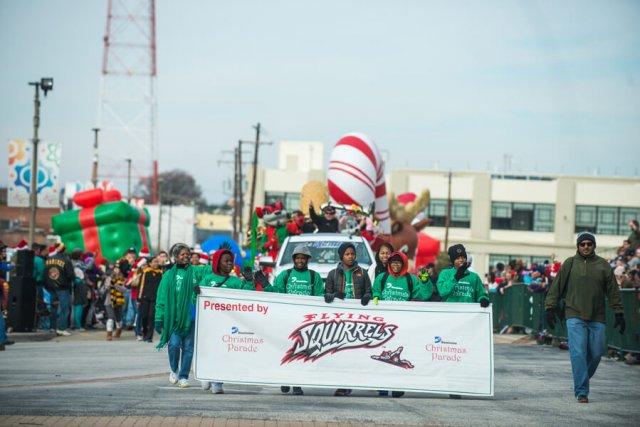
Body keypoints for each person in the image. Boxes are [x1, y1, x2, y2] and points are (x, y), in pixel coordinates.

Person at [545, 232, 625, 403]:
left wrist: (619, 312)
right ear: (578, 246)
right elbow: (556, 286)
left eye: (589, 244)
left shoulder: (603, 265)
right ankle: (582, 391)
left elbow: (613, 291)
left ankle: (581, 379)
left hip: (598, 316)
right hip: (574, 314)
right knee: (578, 353)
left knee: (596, 353)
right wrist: (550, 308)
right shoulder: (570, 263)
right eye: (583, 244)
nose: (586, 246)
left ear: (594, 246)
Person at [264, 244, 324, 396]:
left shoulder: (314, 276)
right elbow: (277, 293)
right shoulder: (285, 274)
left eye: (303, 258)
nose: (300, 260)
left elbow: (319, 297)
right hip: (286, 319)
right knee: (285, 351)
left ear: (307, 259)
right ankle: (285, 379)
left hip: (306, 322)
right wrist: (264, 284)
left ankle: (297, 383)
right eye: (298, 258)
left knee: (301, 353)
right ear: (293, 259)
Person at [372, 250, 433, 398]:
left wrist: (425, 282)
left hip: (404, 324)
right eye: (393, 262)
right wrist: (376, 297)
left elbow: (424, 295)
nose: (395, 265)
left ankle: (398, 385)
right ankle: (382, 385)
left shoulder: (411, 279)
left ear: (404, 263)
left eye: (398, 262)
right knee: (384, 354)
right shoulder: (382, 277)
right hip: (385, 324)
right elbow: (376, 291)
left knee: (399, 355)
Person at [196, 248, 255, 394]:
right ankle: (207, 374)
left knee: (221, 352)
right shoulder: (208, 280)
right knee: (209, 351)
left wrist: (249, 281)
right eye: (226, 261)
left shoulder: (235, 282)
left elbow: (248, 298)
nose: (229, 264)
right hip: (209, 324)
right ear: (217, 262)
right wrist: (196, 292)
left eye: (231, 261)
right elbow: (197, 300)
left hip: (227, 324)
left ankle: (217, 381)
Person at [154, 243, 209, 388]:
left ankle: (184, 376)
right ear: (176, 257)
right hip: (173, 319)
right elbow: (161, 297)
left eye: (187, 254)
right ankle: (174, 370)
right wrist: (159, 318)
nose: (186, 257)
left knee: (189, 348)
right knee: (173, 345)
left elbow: (210, 273)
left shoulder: (196, 272)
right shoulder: (168, 276)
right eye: (182, 254)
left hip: (191, 317)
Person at [324, 242, 373, 397]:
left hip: (358, 319)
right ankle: (341, 383)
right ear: (341, 256)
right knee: (341, 352)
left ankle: (349, 383)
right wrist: (334, 296)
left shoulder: (363, 273)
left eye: (352, 254)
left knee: (355, 352)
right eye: (347, 254)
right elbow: (326, 296)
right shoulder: (332, 274)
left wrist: (367, 297)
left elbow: (369, 292)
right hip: (339, 319)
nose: (350, 256)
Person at [44, 243, 75, 336]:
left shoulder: (49, 259)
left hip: (51, 287)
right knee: (65, 309)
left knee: (54, 307)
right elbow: (71, 275)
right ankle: (61, 328)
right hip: (63, 287)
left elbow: (45, 273)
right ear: (64, 250)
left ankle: (53, 327)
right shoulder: (66, 260)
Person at [137, 256, 163, 343]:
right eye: (154, 262)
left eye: (157, 262)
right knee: (144, 316)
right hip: (145, 297)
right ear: (150, 263)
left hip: (155, 298)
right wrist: (139, 298)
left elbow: (162, 287)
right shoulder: (145, 272)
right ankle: (144, 332)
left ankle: (149, 336)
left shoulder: (161, 273)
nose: (155, 264)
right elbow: (141, 285)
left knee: (152, 317)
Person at [104, 266, 127, 340]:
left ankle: (118, 330)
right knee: (110, 317)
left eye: (118, 269)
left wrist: (115, 285)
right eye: (115, 269)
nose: (116, 270)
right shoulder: (108, 278)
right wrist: (109, 285)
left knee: (118, 318)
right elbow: (105, 288)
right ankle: (109, 334)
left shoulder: (122, 279)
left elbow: (124, 289)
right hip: (109, 301)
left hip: (119, 301)